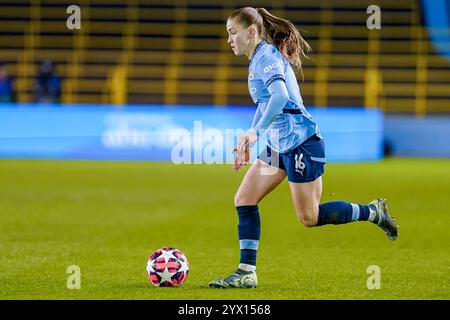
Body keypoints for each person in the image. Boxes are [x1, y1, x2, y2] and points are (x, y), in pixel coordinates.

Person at [208, 7, 398, 289]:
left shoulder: (266, 57)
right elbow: (266, 104)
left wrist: (254, 133)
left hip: (302, 144)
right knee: (244, 199)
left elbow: (280, 96)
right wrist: (252, 139)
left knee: (310, 217)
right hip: (278, 144)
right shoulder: (258, 59)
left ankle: (373, 212)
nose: (229, 40)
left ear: (251, 32)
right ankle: (246, 272)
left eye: (232, 33)